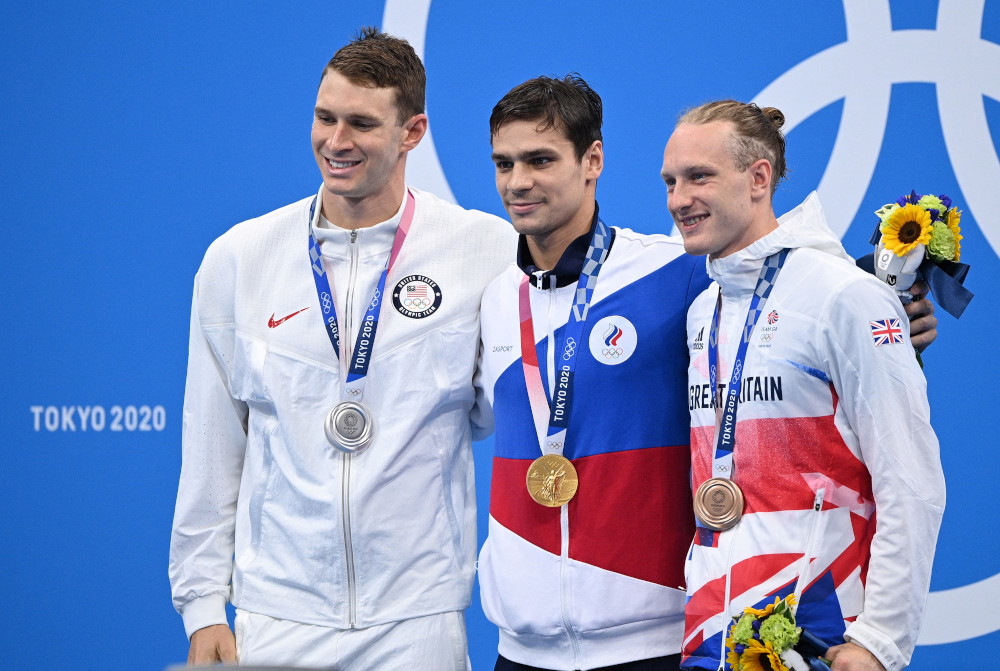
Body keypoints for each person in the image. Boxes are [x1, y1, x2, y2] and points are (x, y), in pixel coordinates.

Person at [169, 27, 515, 669]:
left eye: (360, 122)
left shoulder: (483, 250)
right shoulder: (240, 258)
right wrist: (202, 607)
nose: (336, 141)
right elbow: (213, 446)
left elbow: (508, 409)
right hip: (275, 617)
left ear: (413, 132)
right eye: (324, 117)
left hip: (418, 621)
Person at [662, 100, 945, 671]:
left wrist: (879, 644)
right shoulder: (703, 312)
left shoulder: (844, 296)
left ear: (759, 178)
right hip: (713, 635)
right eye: (670, 181)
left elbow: (911, 480)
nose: (677, 200)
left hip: (821, 633)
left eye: (699, 177)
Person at [474, 74, 712, 671]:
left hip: (650, 644)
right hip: (519, 652)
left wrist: (893, 307)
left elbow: (791, 307)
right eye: (504, 163)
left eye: (540, 160)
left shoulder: (673, 273)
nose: (517, 182)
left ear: (592, 160)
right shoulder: (490, 296)